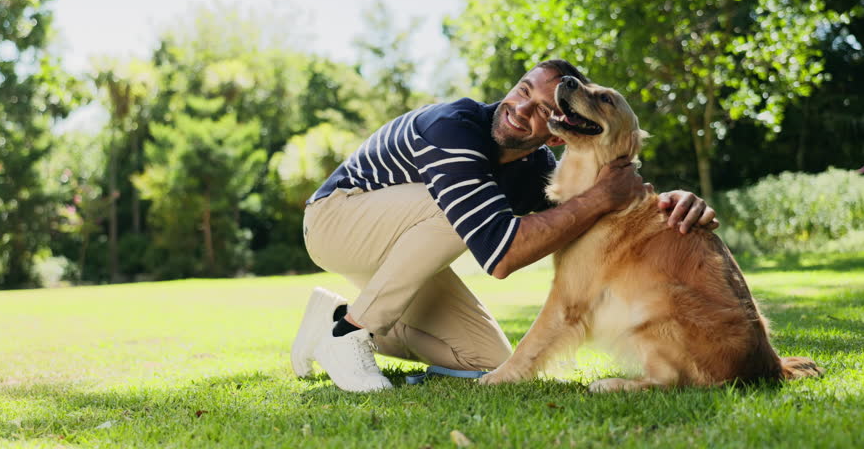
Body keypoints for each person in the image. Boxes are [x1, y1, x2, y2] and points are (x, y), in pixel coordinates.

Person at [290, 59, 718, 392]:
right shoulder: (453, 128)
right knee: (450, 206)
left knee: (485, 358)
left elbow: (597, 213)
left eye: (542, 110)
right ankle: (350, 334)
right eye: (523, 90)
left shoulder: (536, 168)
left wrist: (673, 203)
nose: (520, 108)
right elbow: (502, 255)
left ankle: (333, 320)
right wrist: (600, 198)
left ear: (556, 134)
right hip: (334, 220)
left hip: (399, 244)